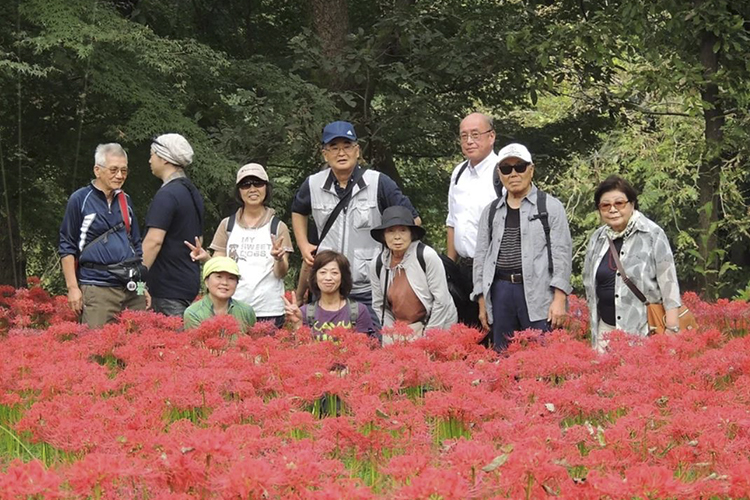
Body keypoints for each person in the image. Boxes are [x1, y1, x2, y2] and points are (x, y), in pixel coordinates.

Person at [290, 120, 420, 330]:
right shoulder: (313, 184)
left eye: (347, 146)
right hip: (326, 285)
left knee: (372, 346)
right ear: (325, 154)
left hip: (368, 286)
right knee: (320, 348)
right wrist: (303, 244)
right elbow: (298, 210)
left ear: (357, 151)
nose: (341, 153)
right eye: (334, 147)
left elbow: (413, 220)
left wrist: (393, 250)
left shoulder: (379, 182)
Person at [473, 143, 572, 351]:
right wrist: (482, 299)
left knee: (541, 357)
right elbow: (481, 257)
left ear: (531, 169)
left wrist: (559, 299)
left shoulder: (550, 207)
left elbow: (562, 254)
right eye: (507, 169)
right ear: (499, 173)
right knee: (504, 355)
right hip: (501, 291)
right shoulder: (491, 211)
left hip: (539, 291)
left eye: (520, 166)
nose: (514, 173)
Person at [186, 163, 293, 328]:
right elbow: (219, 265)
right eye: (245, 184)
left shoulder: (278, 227)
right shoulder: (227, 225)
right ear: (239, 191)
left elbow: (281, 273)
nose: (252, 189)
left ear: (267, 188)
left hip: (269, 310)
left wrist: (278, 258)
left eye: (258, 183)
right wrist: (205, 257)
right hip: (234, 308)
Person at [582, 175, 682, 351]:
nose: (612, 210)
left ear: (632, 203)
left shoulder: (652, 234)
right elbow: (589, 284)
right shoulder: (597, 238)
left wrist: (672, 329)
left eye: (619, 203)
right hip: (606, 331)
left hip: (644, 332)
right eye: (605, 205)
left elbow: (669, 284)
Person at [59, 143, 147, 328]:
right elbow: (67, 246)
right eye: (114, 170)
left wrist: (141, 286)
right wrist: (73, 288)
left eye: (124, 170)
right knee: (97, 350)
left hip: (131, 289)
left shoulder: (126, 200)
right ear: (97, 170)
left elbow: (136, 246)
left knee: (136, 349)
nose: (120, 175)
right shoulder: (80, 199)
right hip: (97, 287)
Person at [370, 206, 457, 343]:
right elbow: (379, 305)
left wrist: (429, 336)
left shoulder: (426, 256)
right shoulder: (377, 264)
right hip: (400, 329)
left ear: (411, 233)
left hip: (436, 323)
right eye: (391, 231)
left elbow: (442, 301)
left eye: (403, 230)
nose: (397, 237)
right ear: (383, 236)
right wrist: (392, 333)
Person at [446, 112, 500, 329]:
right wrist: (449, 268)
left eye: (475, 135)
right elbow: (452, 222)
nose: (469, 141)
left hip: (493, 269)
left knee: (492, 330)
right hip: (463, 269)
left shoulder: (502, 171)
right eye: (464, 136)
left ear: (491, 136)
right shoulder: (458, 173)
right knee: (467, 333)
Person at [142, 133, 205, 317]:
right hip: (186, 284)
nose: (149, 160)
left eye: (152, 154)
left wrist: (137, 283)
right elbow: (199, 239)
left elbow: (154, 241)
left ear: (164, 158)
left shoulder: (167, 195)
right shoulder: (192, 193)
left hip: (165, 290)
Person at [283, 250, 374, 338]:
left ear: (343, 277)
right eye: (323, 272)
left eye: (334, 273)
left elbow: (364, 347)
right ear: (315, 277)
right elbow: (301, 350)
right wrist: (298, 324)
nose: (328, 278)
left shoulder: (359, 311)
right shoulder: (304, 312)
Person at [183, 256, 256, 330]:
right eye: (219, 276)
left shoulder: (246, 311)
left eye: (231, 278)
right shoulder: (193, 313)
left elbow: (254, 339)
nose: (224, 282)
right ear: (206, 281)